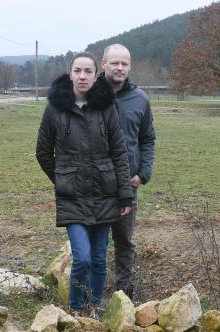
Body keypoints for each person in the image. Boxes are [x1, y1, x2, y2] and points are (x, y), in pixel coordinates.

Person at [36, 52, 133, 311]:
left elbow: (120, 152)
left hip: (105, 194)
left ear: (95, 74)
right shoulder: (55, 108)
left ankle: (95, 306)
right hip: (73, 197)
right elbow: (43, 152)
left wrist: (125, 195)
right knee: (82, 258)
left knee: (100, 258)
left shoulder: (106, 106)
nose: (82, 76)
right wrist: (62, 178)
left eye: (88, 71)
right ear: (70, 74)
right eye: (77, 70)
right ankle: (77, 307)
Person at [100, 44, 156, 298]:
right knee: (96, 242)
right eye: (115, 63)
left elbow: (147, 139)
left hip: (127, 183)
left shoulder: (140, 99)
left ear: (130, 66)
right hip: (96, 184)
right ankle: (92, 293)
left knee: (124, 241)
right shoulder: (89, 94)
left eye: (124, 63)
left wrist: (143, 172)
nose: (120, 68)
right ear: (103, 64)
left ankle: (124, 295)